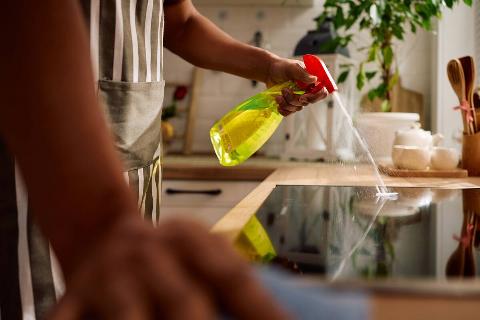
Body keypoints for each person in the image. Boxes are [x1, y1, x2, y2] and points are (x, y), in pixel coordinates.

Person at [0, 0, 330, 319]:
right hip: (43, 170)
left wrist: (268, 66)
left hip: (138, 166)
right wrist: (103, 225)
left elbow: (180, 21)